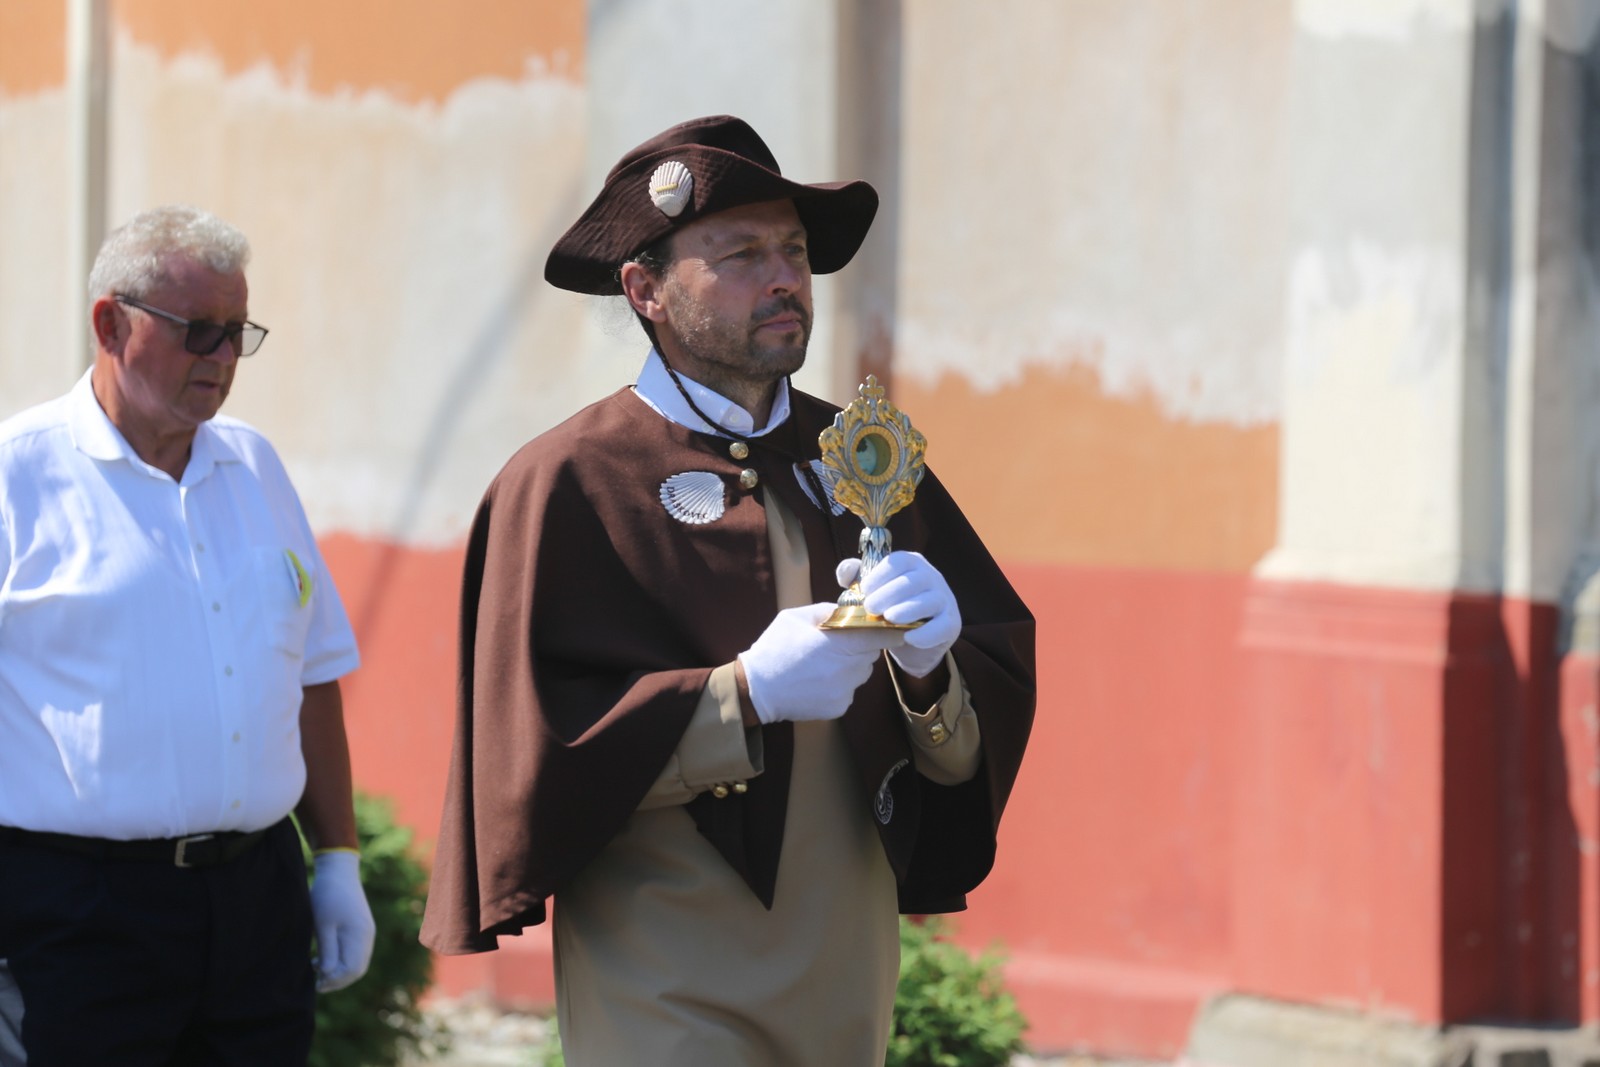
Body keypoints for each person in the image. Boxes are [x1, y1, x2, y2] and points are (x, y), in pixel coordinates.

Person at [421, 115, 1035, 1065]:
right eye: (742, 254)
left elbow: (960, 763)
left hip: (843, 970)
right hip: (663, 971)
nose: (784, 276)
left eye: (793, 250)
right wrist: (737, 696)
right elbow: (531, 755)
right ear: (647, 291)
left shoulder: (867, 456)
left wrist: (930, 674)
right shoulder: (571, 480)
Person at [0, 205, 375, 1066]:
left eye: (237, 333)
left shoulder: (255, 464)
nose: (222, 357)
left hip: (256, 903)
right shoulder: (17, 474)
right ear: (110, 323)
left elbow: (310, 672)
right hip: (75, 911)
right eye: (198, 330)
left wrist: (338, 860)